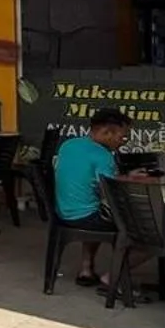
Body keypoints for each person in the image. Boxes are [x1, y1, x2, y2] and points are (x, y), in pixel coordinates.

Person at [55, 108, 130, 287]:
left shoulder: (69, 145)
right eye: (122, 137)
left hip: (63, 213)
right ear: (106, 132)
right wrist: (134, 180)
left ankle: (86, 269)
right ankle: (112, 276)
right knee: (145, 229)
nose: (123, 142)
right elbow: (111, 193)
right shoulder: (102, 156)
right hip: (87, 217)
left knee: (95, 207)